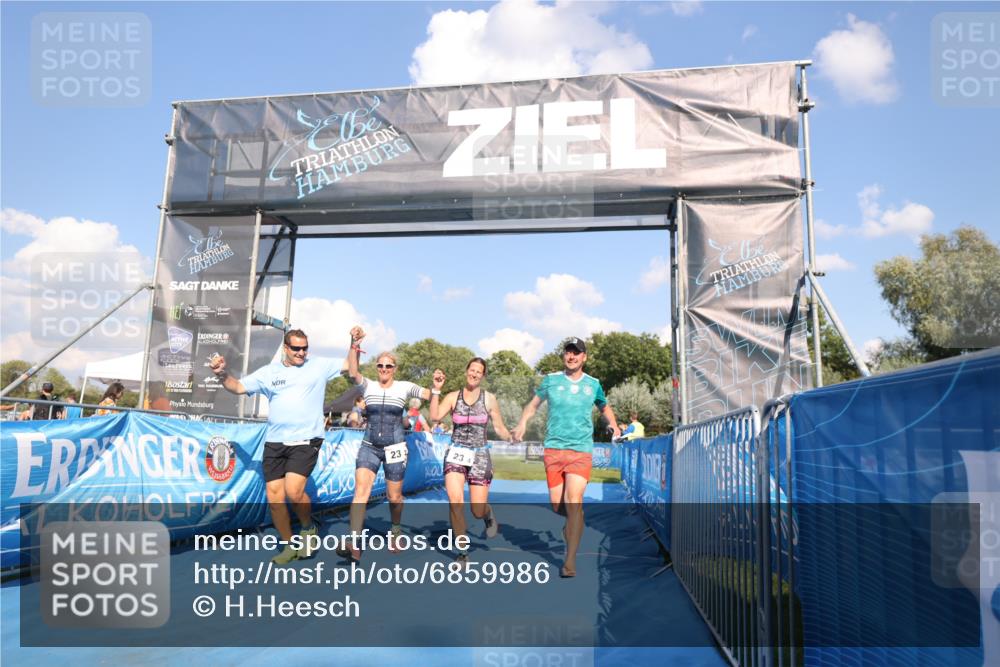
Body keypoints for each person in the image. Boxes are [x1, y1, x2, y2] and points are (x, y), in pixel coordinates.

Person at [210, 329, 341, 565]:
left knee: (293, 491)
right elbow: (237, 387)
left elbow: (351, 369)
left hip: (306, 440)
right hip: (275, 441)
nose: (302, 353)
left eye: (305, 348)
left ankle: (308, 527)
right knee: (275, 497)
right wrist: (222, 373)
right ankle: (289, 545)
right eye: (296, 349)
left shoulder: (319, 366)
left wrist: (354, 345)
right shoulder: (269, 373)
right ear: (286, 348)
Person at [512, 336, 620, 578]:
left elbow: (604, 407)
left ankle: (569, 560)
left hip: (580, 450)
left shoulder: (593, 384)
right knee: (558, 505)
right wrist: (521, 423)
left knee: (574, 502)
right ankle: (572, 521)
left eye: (576, 353)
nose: (571, 356)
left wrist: (614, 425)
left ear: (584, 357)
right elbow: (533, 405)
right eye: (568, 352)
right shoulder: (550, 381)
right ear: (564, 355)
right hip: (553, 450)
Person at [336, 326, 435, 562]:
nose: (384, 369)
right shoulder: (367, 385)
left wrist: (436, 387)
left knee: (394, 498)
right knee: (361, 493)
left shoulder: (403, 386)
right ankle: (354, 542)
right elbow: (352, 372)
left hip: (395, 448)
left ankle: (396, 528)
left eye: (388, 366)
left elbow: (428, 395)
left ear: (394, 369)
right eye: (380, 365)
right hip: (369, 445)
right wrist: (353, 344)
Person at [429, 358, 512, 567]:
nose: (474, 374)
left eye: (479, 372)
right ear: (467, 371)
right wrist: (436, 390)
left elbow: (499, 427)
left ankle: (487, 513)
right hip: (455, 453)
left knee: (476, 509)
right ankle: (463, 552)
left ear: (483, 376)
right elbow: (434, 416)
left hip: (480, 455)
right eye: (472, 370)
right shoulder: (452, 396)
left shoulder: (489, 399)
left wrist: (510, 436)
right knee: (455, 500)